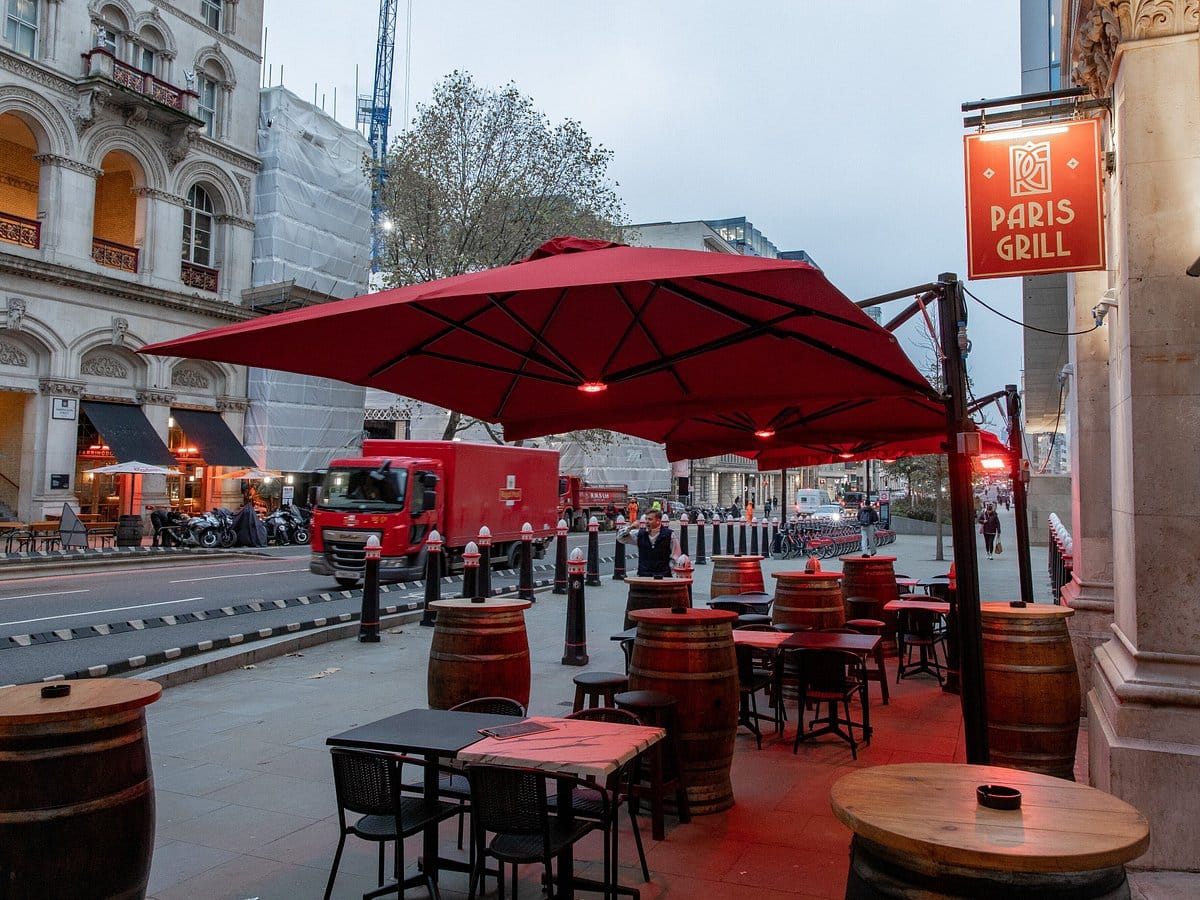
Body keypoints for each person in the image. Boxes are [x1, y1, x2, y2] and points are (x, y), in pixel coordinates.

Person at [617, 508, 681, 577]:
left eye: (650, 519)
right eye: (646, 519)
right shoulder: (640, 534)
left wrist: (669, 571)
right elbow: (620, 538)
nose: (647, 521)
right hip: (644, 576)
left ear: (658, 521)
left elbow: (676, 556)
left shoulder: (669, 535)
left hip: (663, 577)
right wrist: (631, 527)